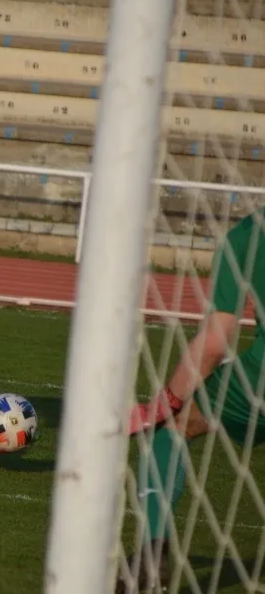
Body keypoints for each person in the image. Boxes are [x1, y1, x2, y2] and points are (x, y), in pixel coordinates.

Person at [119, 208, 265, 592]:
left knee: (174, 425)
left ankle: (153, 552)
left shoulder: (248, 234)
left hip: (261, 380)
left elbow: (217, 342)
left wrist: (167, 400)